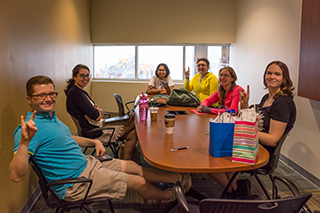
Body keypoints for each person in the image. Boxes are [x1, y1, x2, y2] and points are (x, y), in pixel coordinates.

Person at [10, 75, 191, 202]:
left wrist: (93, 141)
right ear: (29, 99)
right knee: (138, 182)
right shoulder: (28, 129)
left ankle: (175, 178)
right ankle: (169, 197)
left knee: (133, 166)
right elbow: (16, 176)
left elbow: (68, 138)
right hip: (75, 183)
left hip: (87, 163)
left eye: (51, 94)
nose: (48, 99)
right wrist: (25, 143)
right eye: (41, 95)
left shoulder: (49, 117)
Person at [210, 60, 296, 199]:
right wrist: (245, 105)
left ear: (284, 78)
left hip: (262, 152)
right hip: (252, 144)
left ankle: (234, 191)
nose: (272, 77)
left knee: (213, 160)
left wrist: (240, 129)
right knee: (216, 149)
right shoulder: (267, 98)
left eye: (277, 74)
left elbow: (273, 139)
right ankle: (236, 189)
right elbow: (256, 123)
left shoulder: (283, 103)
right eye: (269, 73)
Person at [65, 64, 136, 160]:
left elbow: (96, 111)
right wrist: (98, 112)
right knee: (134, 121)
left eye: (87, 75)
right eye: (82, 75)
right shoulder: (76, 93)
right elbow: (96, 116)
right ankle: (129, 159)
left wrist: (98, 111)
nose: (85, 78)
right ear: (74, 77)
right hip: (94, 132)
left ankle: (127, 160)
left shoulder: (80, 91)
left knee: (133, 134)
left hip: (96, 126)